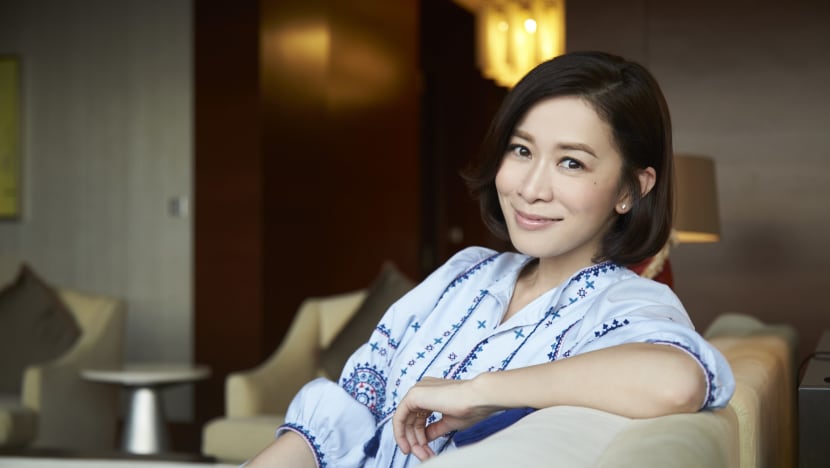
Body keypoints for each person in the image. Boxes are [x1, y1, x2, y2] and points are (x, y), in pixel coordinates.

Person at [245, 51, 735, 467]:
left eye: (571, 162)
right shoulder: (465, 272)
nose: (530, 188)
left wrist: (481, 391)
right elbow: (354, 405)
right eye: (521, 150)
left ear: (631, 188)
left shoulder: (624, 303)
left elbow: (678, 382)